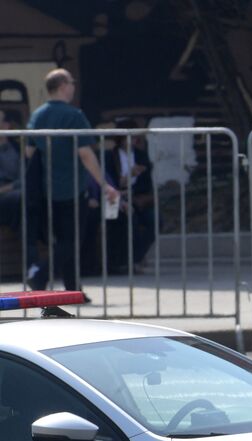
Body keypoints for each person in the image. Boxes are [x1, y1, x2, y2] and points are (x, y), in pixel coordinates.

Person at [24, 68, 118, 292]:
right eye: (71, 82)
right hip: (73, 188)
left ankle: (73, 288)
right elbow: (86, 154)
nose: (73, 87)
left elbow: (29, 151)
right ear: (62, 86)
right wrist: (105, 185)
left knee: (63, 241)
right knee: (71, 241)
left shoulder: (38, 114)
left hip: (47, 189)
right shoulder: (74, 115)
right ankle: (41, 274)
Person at [103, 117, 157, 273]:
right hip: (116, 198)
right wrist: (127, 177)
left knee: (154, 221)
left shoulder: (141, 156)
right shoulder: (109, 157)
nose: (132, 141)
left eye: (134, 137)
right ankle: (121, 261)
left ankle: (136, 257)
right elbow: (109, 182)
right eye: (129, 137)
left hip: (137, 198)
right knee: (127, 221)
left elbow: (146, 182)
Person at [0, 110, 23, 235]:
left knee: (25, 196)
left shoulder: (17, 149)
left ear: (6, 126)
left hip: (12, 192)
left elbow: (23, 178)